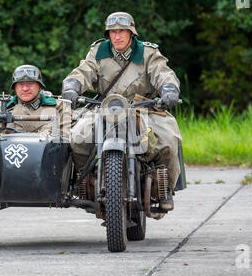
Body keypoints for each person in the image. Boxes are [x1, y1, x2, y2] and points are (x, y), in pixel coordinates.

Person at [61, 12, 182, 211]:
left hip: (143, 108)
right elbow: (83, 71)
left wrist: (169, 89)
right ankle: (87, 182)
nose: (117, 36)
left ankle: (164, 189)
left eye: (122, 31)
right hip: (104, 108)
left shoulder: (147, 53)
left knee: (169, 138)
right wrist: (72, 87)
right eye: (113, 32)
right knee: (77, 138)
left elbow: (163, 73)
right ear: (108, 34)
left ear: (131, 33)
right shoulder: (99, 51)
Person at [0, 64, 70, 138]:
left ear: (40, 86)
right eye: (20, 84)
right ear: (15, 87)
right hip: (6, 165)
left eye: (30, 84)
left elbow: (68, 136)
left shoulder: (58, 106)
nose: (25, 88)